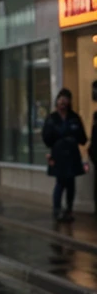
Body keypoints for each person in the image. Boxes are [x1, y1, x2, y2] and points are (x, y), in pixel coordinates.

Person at [42, 88, 87, 222]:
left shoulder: (74, 118)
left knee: (71, 184)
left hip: (72, 154)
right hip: (59, 154)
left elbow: (82, 138)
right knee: (60, 182)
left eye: (65, 100)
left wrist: (74, 138)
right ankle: (57, 210)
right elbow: (46, 138)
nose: (63, 103)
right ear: (57, 102)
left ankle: (69, 210)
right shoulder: (52, 118)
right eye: (60, 100)